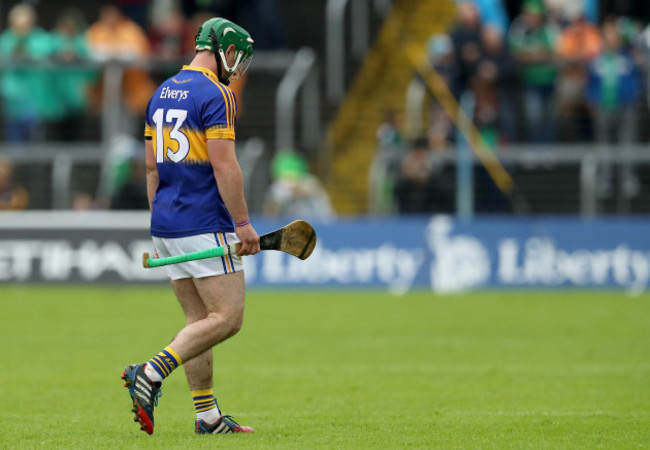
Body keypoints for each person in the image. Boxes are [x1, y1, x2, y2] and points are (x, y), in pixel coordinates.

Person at [121, 17, 260, 436]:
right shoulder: (218, 94)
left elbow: (150, 167)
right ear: (226, 51)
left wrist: (161, 220)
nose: (238, 67)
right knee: (228, 317)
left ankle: (207, 417)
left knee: (198, 319)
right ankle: (149, 371)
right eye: (238, 57)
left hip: (166, 222)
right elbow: (224, 164)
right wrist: (244, 224)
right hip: (204, 220)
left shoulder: (160, 91)